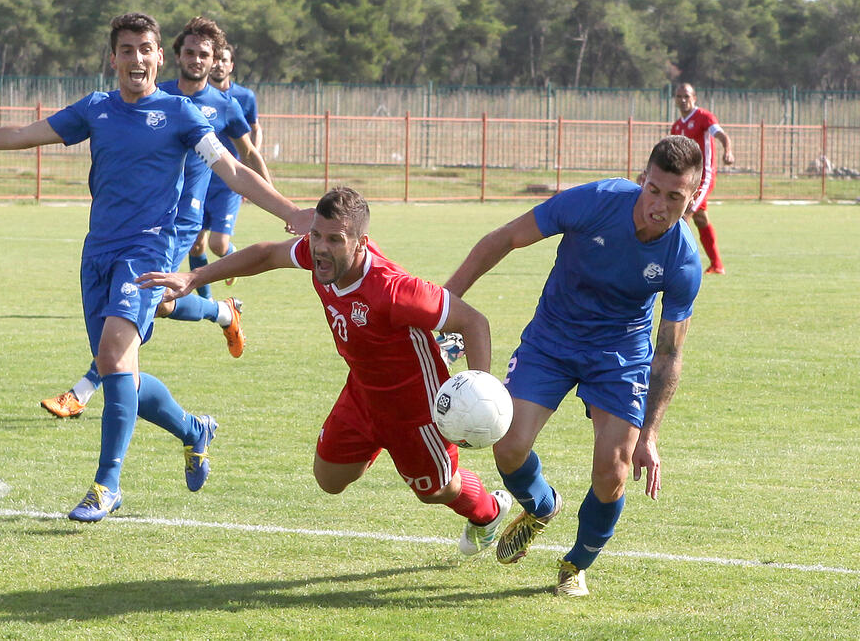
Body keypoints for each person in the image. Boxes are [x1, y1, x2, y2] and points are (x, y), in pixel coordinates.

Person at [0, 12, 311, 523]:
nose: (137, 58)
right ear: (114, 58)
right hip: (96, 254)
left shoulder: (183, 113)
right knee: (124, 376)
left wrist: (292, 212)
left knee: (116, 356)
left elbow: (231, 168)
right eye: (126, 49)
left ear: (158, 57)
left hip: (147, 253)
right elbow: (27, 133)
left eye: (146, 49)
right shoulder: (96, 109)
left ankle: (106, 485)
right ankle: (192, 430)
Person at [137, 186, 513, 556]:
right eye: (316, 234)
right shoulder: (320, 257)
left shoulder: (394, 290)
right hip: (362, 391)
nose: (319, 247)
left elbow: (473, 321)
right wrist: (194, 278)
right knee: (329, 479)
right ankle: (401, 408)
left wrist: (480, 395)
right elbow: (267, 255)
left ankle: (489, 514)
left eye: (334, 239)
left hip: (417, 408)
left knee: (435, 491)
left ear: (361, 243)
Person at [443, 136, 703, 597]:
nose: (658, 206)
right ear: (643, 179)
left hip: (619, 355)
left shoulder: (682, 258)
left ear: (693, 197)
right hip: (552, 340)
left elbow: (668, 353)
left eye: (674, 197)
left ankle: (576, 564)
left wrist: (652, 433)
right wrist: (444, 306)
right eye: (653, 189)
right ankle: (541, 505)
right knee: (508, 446)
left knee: (615, 467)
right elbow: (503, 239)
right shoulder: (595, 201)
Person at [39, 17, 269, 420]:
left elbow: (242, 156)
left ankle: (83, 390)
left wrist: (274, 198)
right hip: (152, 218)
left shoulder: (223, 104)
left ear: (216, 62)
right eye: (191, 53)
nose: (197, 61)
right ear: (175, 56)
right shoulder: (154, 94)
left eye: (206, 55)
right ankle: (223, 312)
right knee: (158, 302)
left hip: (175, 223)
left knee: (134, 311)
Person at [187, 42, 264, 299]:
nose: (218, 64)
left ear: (231, 66)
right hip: (200, 179)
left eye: (224, 60)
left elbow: (252, 132)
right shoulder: (191, 96)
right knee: (196, 244)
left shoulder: (241, 98)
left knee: (217, 244)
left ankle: (231, 257)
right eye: (215, 59)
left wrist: (257, 182)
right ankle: (206, 301)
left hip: (228, 181)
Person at [670, 83, 734, 275]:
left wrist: (728, 150)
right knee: (700, 218)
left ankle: (682, 264)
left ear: (694, 98)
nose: (683, 100)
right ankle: (717, 265)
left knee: (684, 213)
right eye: (679, 96)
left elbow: (720, 134)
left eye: (686, 96)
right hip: (687, 180)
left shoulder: (704, 118)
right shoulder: (677, 125)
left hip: (703, 177)